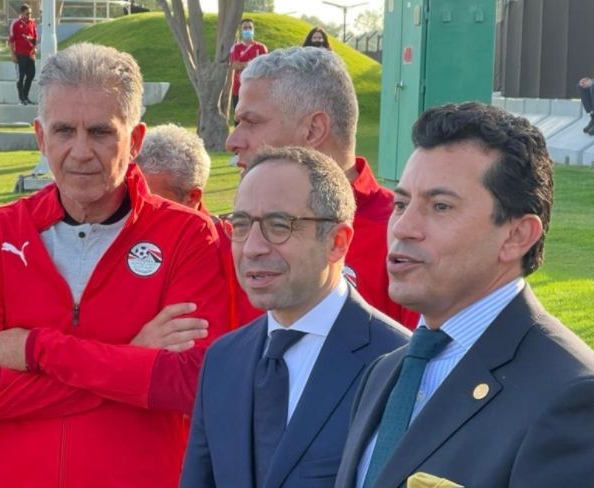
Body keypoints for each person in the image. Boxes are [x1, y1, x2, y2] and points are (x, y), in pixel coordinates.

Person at [297, 101, 594, 488]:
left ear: (516, 236)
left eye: (440, 207)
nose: (404, 227)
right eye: (401, 203)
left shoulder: (572, 403)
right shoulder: (388, 372)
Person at [0, 42, 230, 488]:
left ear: (135, 139)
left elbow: (191, 383)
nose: (80, 151)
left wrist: (38, 349)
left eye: (101, 132)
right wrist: (132, 357)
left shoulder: (188, 237)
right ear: (39, 136)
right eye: (64, 131)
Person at [166, 146, 409, 488]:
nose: (253, 246)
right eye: (241, 225)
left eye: (279, 225)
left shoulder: (397, 364)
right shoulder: (223, 361)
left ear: (338, 241)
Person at [227, 46, 419, 329]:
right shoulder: (229, 237)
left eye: (251, 122)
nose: (232, 142)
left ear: (313, 130)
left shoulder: (406, 234)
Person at [136, 123, 260, 328]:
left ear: (192, 197)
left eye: (155, 203)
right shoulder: (114, 233)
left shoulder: (234, 250)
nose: (137, 209)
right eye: (132, 194)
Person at [229, 18, 267, 125]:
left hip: (257, 89)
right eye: (245, 28)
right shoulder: (235, 48)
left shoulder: (261, 47)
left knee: (256, 119)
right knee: (239, 119)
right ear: (241, 30)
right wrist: (254, 63)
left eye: (250, 27)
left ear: (253, 29)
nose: (248, 30)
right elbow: (235, 65)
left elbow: (265, 66)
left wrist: (244, 64)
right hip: (239, 88)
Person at [8, 3, 37, 105]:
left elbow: (34, 38)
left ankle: (25, 95)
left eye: (30, 13)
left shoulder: (32, 23)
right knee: (20, 76)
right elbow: (11, 40)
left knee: (31, 74)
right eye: (27, 14)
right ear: (21, 13)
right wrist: (13, 54)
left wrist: (34, 50)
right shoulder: (15, 24)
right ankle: (21, 98)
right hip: (20, 54)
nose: (29, 16)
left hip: (30, 54)